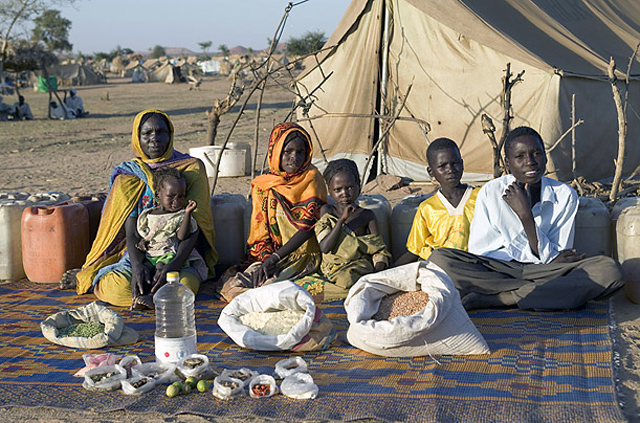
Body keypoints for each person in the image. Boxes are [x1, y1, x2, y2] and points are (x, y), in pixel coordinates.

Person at [428, 126, 623, 311]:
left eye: (536, 154)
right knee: (439, 259)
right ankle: (543, 293)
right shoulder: (491, 192)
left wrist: (526, 217)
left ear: (545, 157)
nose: (530, 162)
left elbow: (560, 256)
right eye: (520, 156)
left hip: (545, 271)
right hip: (499, 270)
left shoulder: (564, 195)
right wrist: (539, 263)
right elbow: (482, 251)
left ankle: (502, 298)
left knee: (609, 271)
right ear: (507, 163)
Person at [64, 109, 217, 308]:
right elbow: (130, 230)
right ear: (137, 138)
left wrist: (173, 266)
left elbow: (195, 227)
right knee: (116, 289)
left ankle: (153, 298)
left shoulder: (191, 169)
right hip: (137, 254)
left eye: (161, 132)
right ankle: (156, 299)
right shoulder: (126, 177)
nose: (155, 139)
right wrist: (137, 267)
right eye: (147, 134)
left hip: (179, 255)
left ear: (170, 135)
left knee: (184, 288)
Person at [220, 122, 327, 302]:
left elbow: (307, 228)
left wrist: (275, 260)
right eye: (288, 152)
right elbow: (260, 233)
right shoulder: (265, 185)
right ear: (276, 152)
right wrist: (266, 260)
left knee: (269, 290)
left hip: (303, 258)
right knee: (233, 288)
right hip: (272, 257)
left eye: (300, 152)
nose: (294, 157)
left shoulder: (312, 179)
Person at [313, 158, 391, 301]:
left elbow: (378, 250)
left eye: (349, 187)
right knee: (342, 281)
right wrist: (341, 220)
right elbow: (325, 247)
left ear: (358, 186)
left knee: (352, 280)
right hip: (333, 269)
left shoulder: (367, 215)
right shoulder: (327, 211)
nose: (345, 193)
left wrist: (377, 271)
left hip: (358, 267)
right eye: (338, 190)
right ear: (329, 190)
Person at [132, 167, 208, 310]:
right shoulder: (148, 215)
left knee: (161, 271)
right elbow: (144, 234)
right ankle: (141, 295)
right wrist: (142, 242)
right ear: (158, 195)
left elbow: (182, 236)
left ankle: (153, 297)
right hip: (151, 255)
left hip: (169, 255)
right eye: (171, 196)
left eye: (181, 197)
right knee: (146, 272)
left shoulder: (180, 216)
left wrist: (187, 213)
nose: (176, 201)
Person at [395, 138, 480, 266]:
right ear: (431, 172)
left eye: (455, 163)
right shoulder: (427, 208)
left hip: (476, 263)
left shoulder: (480, 197)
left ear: (462, 164)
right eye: (442, 166)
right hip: (440, 265)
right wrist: (391, 269)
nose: (450, 170)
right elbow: (416, 249)